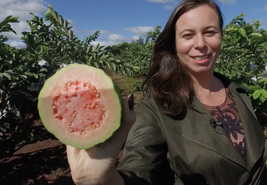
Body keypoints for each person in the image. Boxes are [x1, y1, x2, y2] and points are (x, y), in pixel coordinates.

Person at [66, 0, 267, 184]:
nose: (200, 44)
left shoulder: (239, 92)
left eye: (210, 32)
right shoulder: (156, 105)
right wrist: (104, 178)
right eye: (188, 35)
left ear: (221, 36)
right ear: (174, 44)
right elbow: (140, 168)